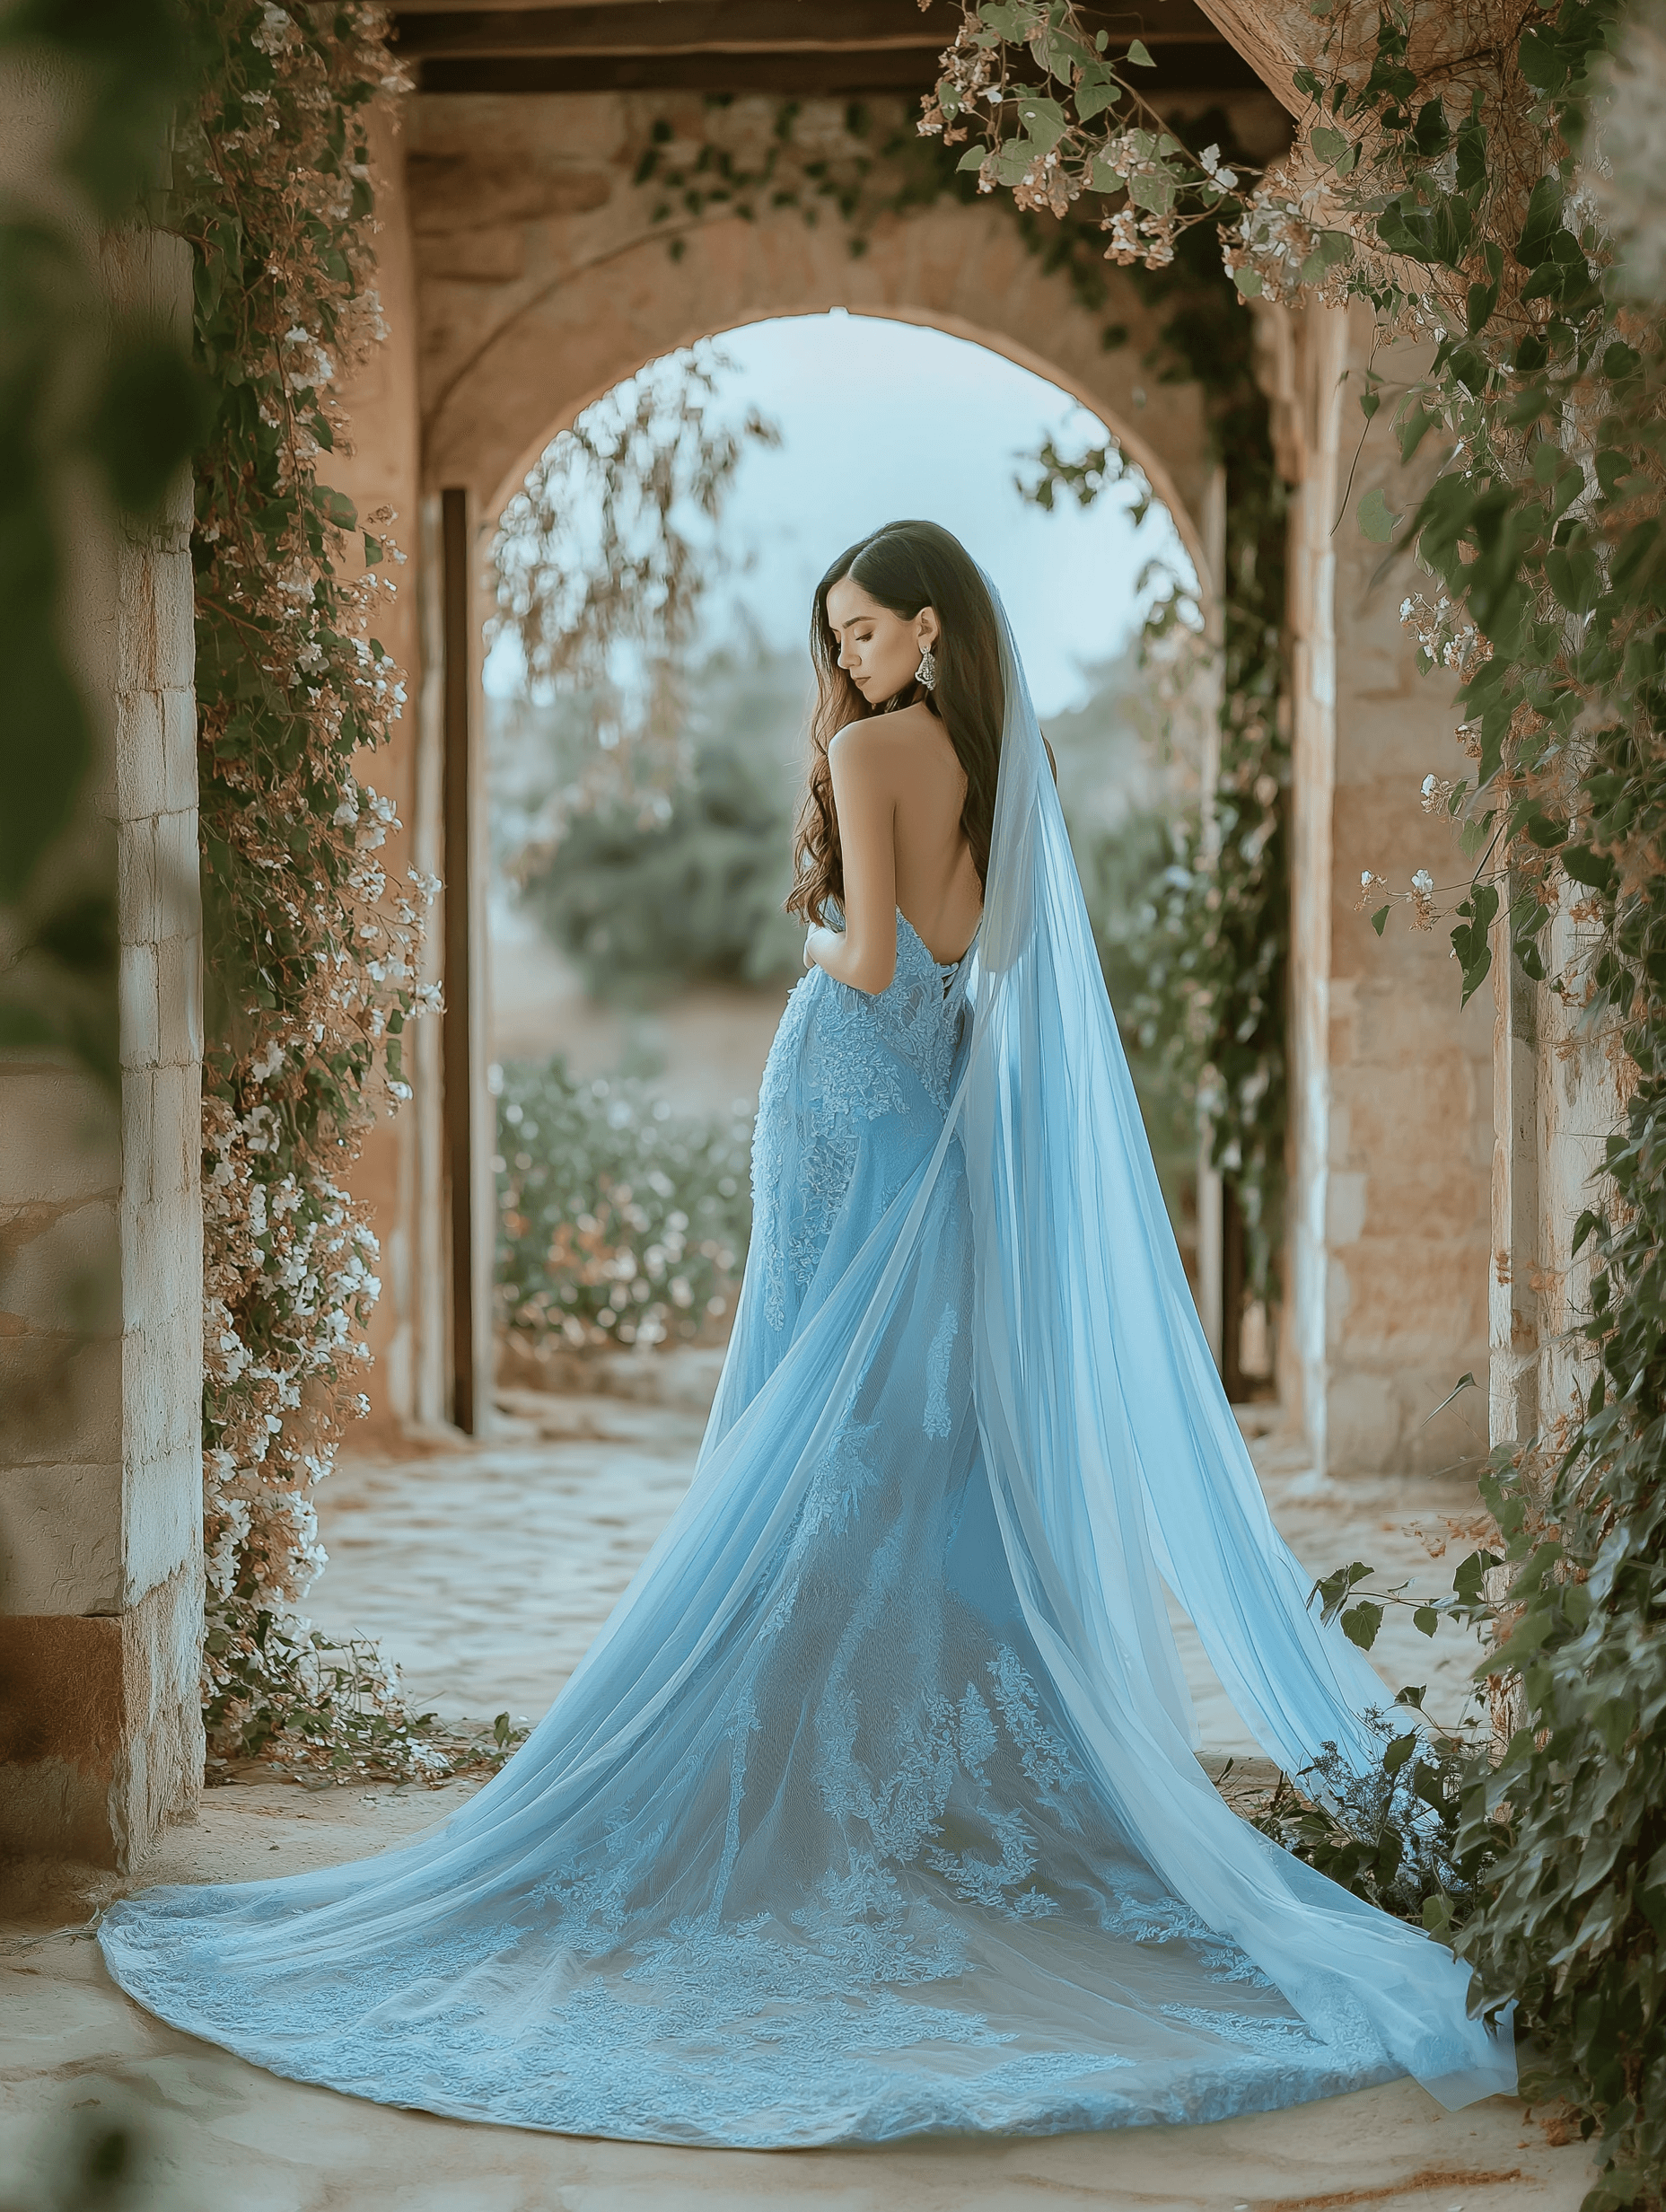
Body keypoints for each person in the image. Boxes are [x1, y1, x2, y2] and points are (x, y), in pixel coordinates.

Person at [100, 520, 1513, 2146]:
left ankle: (794, 1758)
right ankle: (905, 1768)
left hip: (843, 1088)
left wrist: (812, 931)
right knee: (913, 1438)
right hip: (931, 1115)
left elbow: (865, 956)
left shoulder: (865, 752)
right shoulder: (995, 767)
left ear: (927, 628)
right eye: (834, 636)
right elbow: (974, 953)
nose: (844, 658)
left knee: (810, 1417)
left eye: (863, 629)